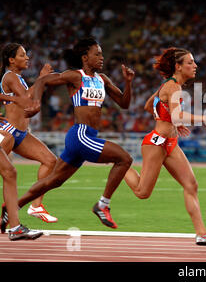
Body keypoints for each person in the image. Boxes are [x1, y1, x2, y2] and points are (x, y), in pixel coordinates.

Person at [1, 37, 135, 230]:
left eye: (102, 54)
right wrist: (37, 103)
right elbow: (44, 81)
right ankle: (102, 205)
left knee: (53, 181)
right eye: (96, 54)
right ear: (84, 57)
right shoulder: (75, 76)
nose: (101, 57)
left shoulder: (102, 79)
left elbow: (124, 103)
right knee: (124, 158)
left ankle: (12, 207)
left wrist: (128, 83)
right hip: (80, 135)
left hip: (88, 136)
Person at [124, 47, 206, 248]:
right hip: (156, 143)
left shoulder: (169, 85)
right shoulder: (173, 87)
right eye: (190, 62)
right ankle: (119, 164)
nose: (195, 65)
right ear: (178, 67)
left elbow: (148, 106)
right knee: (142, 192)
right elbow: (173, 113)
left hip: (171, 143)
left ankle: (201, 234)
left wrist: (171, 120)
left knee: (191, 185)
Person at [0, 43, 58, 224]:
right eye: (22, 55)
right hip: (8, 131)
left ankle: (36, 206)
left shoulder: (18, 77)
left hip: (22, 134)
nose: (27, 58)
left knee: (50, 161)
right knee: (7, 173)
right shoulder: (9, 76)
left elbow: (26, 97)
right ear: (11, 60)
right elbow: (26, 99)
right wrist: (41, 78)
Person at [0, 88, 43, 240]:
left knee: (10, 172)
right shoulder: (8, 77)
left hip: (10, 133)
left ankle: (15, 227)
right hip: (9, 132)